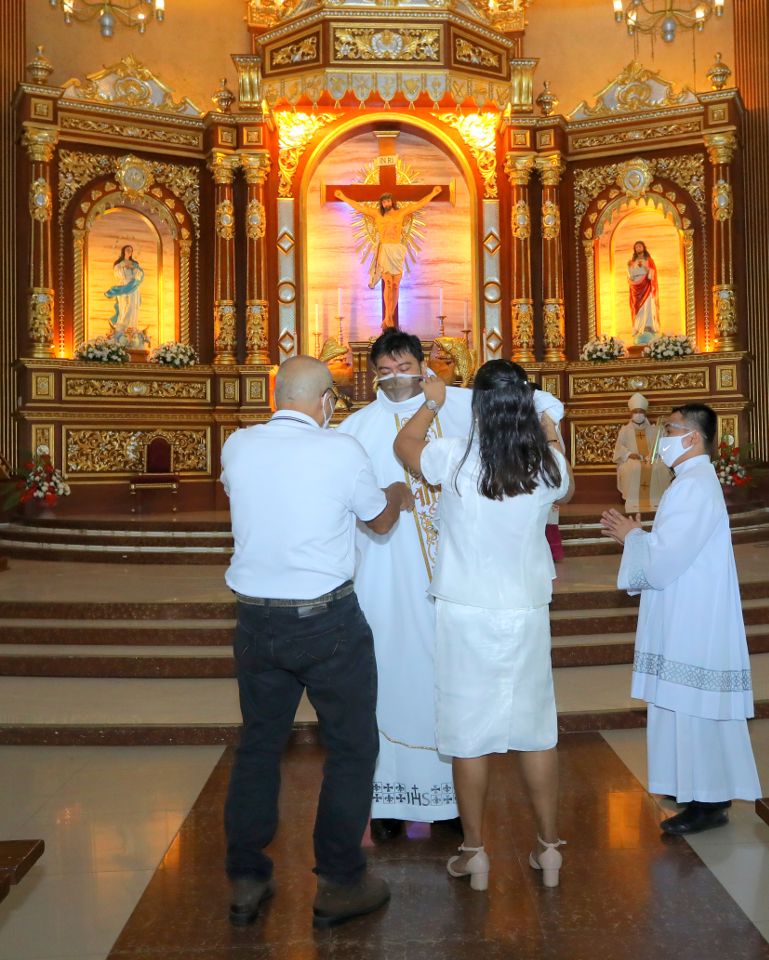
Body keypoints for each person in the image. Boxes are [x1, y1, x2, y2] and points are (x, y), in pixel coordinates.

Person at [221, 355, 414, 928]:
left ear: (275, 396)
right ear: (328, 400)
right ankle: (340, 882)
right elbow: (378, 521)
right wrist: (399, 492)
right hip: (326, 623)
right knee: (352, 748)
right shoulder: (340, 451)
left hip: (256, 622)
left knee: (259, 746)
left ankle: (246, 879)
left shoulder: (238, 446)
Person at [394, 360, 574, 891]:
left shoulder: (453, 457)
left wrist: (432, 401)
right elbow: (565, 479)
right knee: (536, 732)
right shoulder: (548, 467)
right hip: (524, 611)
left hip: (465, 611)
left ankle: (474, 853)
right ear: (524, 404)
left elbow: (404, 445)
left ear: (476, 407)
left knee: (469, 736)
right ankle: (548, 849)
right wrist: (548, 423)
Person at [337, 329, 472, 842]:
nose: (396, 373)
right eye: (386, 366)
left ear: (422, 364)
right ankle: (389, 800)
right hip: (384, 578)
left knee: (448, 677)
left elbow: (535, 404)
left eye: (405, 363)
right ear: (373, 372)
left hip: (453, 575)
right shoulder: (354, 428)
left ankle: (454, 798)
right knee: (387, 677)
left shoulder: (457, 410)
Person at [601, 403, 761, 835]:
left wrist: (631, 536)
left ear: (692, 438)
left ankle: (708, 802)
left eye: (670, 429)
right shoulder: (692, 482)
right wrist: (641, 537)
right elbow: (674, 547)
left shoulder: (692, 486)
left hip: (692, 616)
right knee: (687, 703)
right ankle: (697, 789)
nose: (662, 436)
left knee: (692, 703)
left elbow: (667, 557)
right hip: (688, 606)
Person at [334, 187, 441, 329]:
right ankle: (387, 317)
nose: (386, 203)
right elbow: (358, 207)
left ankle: (389, 316)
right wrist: (343, 197)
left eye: (388, 200)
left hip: (397, 250)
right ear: (381, 203)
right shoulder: (377, 215)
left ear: (392, 201)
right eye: (384, 201)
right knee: (388, 283)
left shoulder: (400, 213)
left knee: (396, 284)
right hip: (385, 249)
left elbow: (418, 204)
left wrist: (433, 193)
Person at [613, 392, 671, 514]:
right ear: (631, 413)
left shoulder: (654, 429)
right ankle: (633, 500)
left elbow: (662, 445)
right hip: (632, 459)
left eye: (641, 411)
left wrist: (661, 438)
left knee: (660, 468)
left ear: (645, 413)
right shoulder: (625, 430)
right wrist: (629, 454)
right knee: (633, 468)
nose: (638, 414)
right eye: (635, 411)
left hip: (652, 459)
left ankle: (659, 500)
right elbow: (619, 448)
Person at [106, 244, 145, 339]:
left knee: (132, 306)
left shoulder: (135, 264)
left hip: (133, 287)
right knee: (123, 306)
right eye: (127, 250)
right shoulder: (119, 264)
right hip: (123, 286)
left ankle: (131, 328)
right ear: (123, 251)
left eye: (131, 250)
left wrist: (133, 268)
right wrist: (124, 266)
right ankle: (121, 328)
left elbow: (140, 275)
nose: (129, 252)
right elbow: (116, 273)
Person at [627, 240, 660, 344]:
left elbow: (652, 274)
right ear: (635, 249)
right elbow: (630, 277)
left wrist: (645, 267)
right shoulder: (632, 262)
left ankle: (648, 328)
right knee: (638, 309)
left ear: (643, 248)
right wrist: (629, 267)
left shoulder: (649, 260)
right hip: (636, 288)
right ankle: (638, 329)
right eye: (636, 247)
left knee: (648, 307)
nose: (638, 248)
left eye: (640, 246)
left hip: (646, 286)